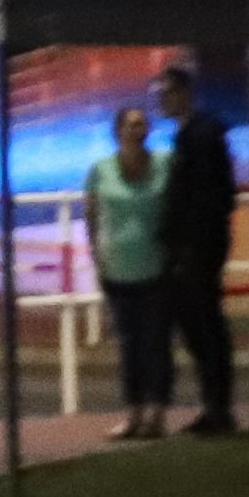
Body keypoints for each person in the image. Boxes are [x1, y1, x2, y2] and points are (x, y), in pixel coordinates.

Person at [156, 65, 237, 435]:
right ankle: (214, 407)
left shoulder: (201, 136)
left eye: (168, 92)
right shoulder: (192, 135)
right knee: (200, 327)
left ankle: (219, 409)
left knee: (204, 327)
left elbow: (211, 198)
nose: (162, 99)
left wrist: (189, 248)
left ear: (185, 92)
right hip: (195, 249)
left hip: (197, 252)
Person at [85, 104, 173, 441]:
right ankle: (133, 414)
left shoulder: (164, 164)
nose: (138, 130)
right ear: (118, 131)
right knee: (129, 346)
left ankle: (158, 415)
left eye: (143, 124)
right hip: (117, 272)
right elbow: (92, 215)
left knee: (156, 344)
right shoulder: (100, 170)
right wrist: (97, 257)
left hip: (156, 269)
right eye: (131, 124)